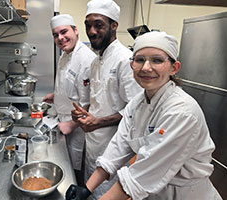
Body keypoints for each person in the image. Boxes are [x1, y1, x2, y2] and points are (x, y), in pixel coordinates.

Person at [66, 31, 222, 200]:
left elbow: (142, 175)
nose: (146, 67)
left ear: (174, 68)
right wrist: (86, 189)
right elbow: (119, 146)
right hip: (154, 193)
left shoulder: (182, 112)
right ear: (132, 65)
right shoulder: (138, 102)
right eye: (140, 60)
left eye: (157, 60)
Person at [71, 0, 142, 199]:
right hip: (92, 143)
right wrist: (83, 113)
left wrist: (99, 121)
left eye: (99, 24)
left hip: (114, 149)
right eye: (88, 25)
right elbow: (100, 101)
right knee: (90, 192)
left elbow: (134, 111)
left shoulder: (125, 60)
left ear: (114, 25)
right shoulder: (96, 61)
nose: (92, 31)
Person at [43, 14, 96, 185]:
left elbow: (89, 102)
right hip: (62, 120)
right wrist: (55, 95)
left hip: (77, 128)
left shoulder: (86, 59)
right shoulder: (64, 55)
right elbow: (68, 85)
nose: (60, 38)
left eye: (64, 32)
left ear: (75, 30)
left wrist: (72, 125)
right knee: (66, 165)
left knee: (76, 170)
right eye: (55, 35)